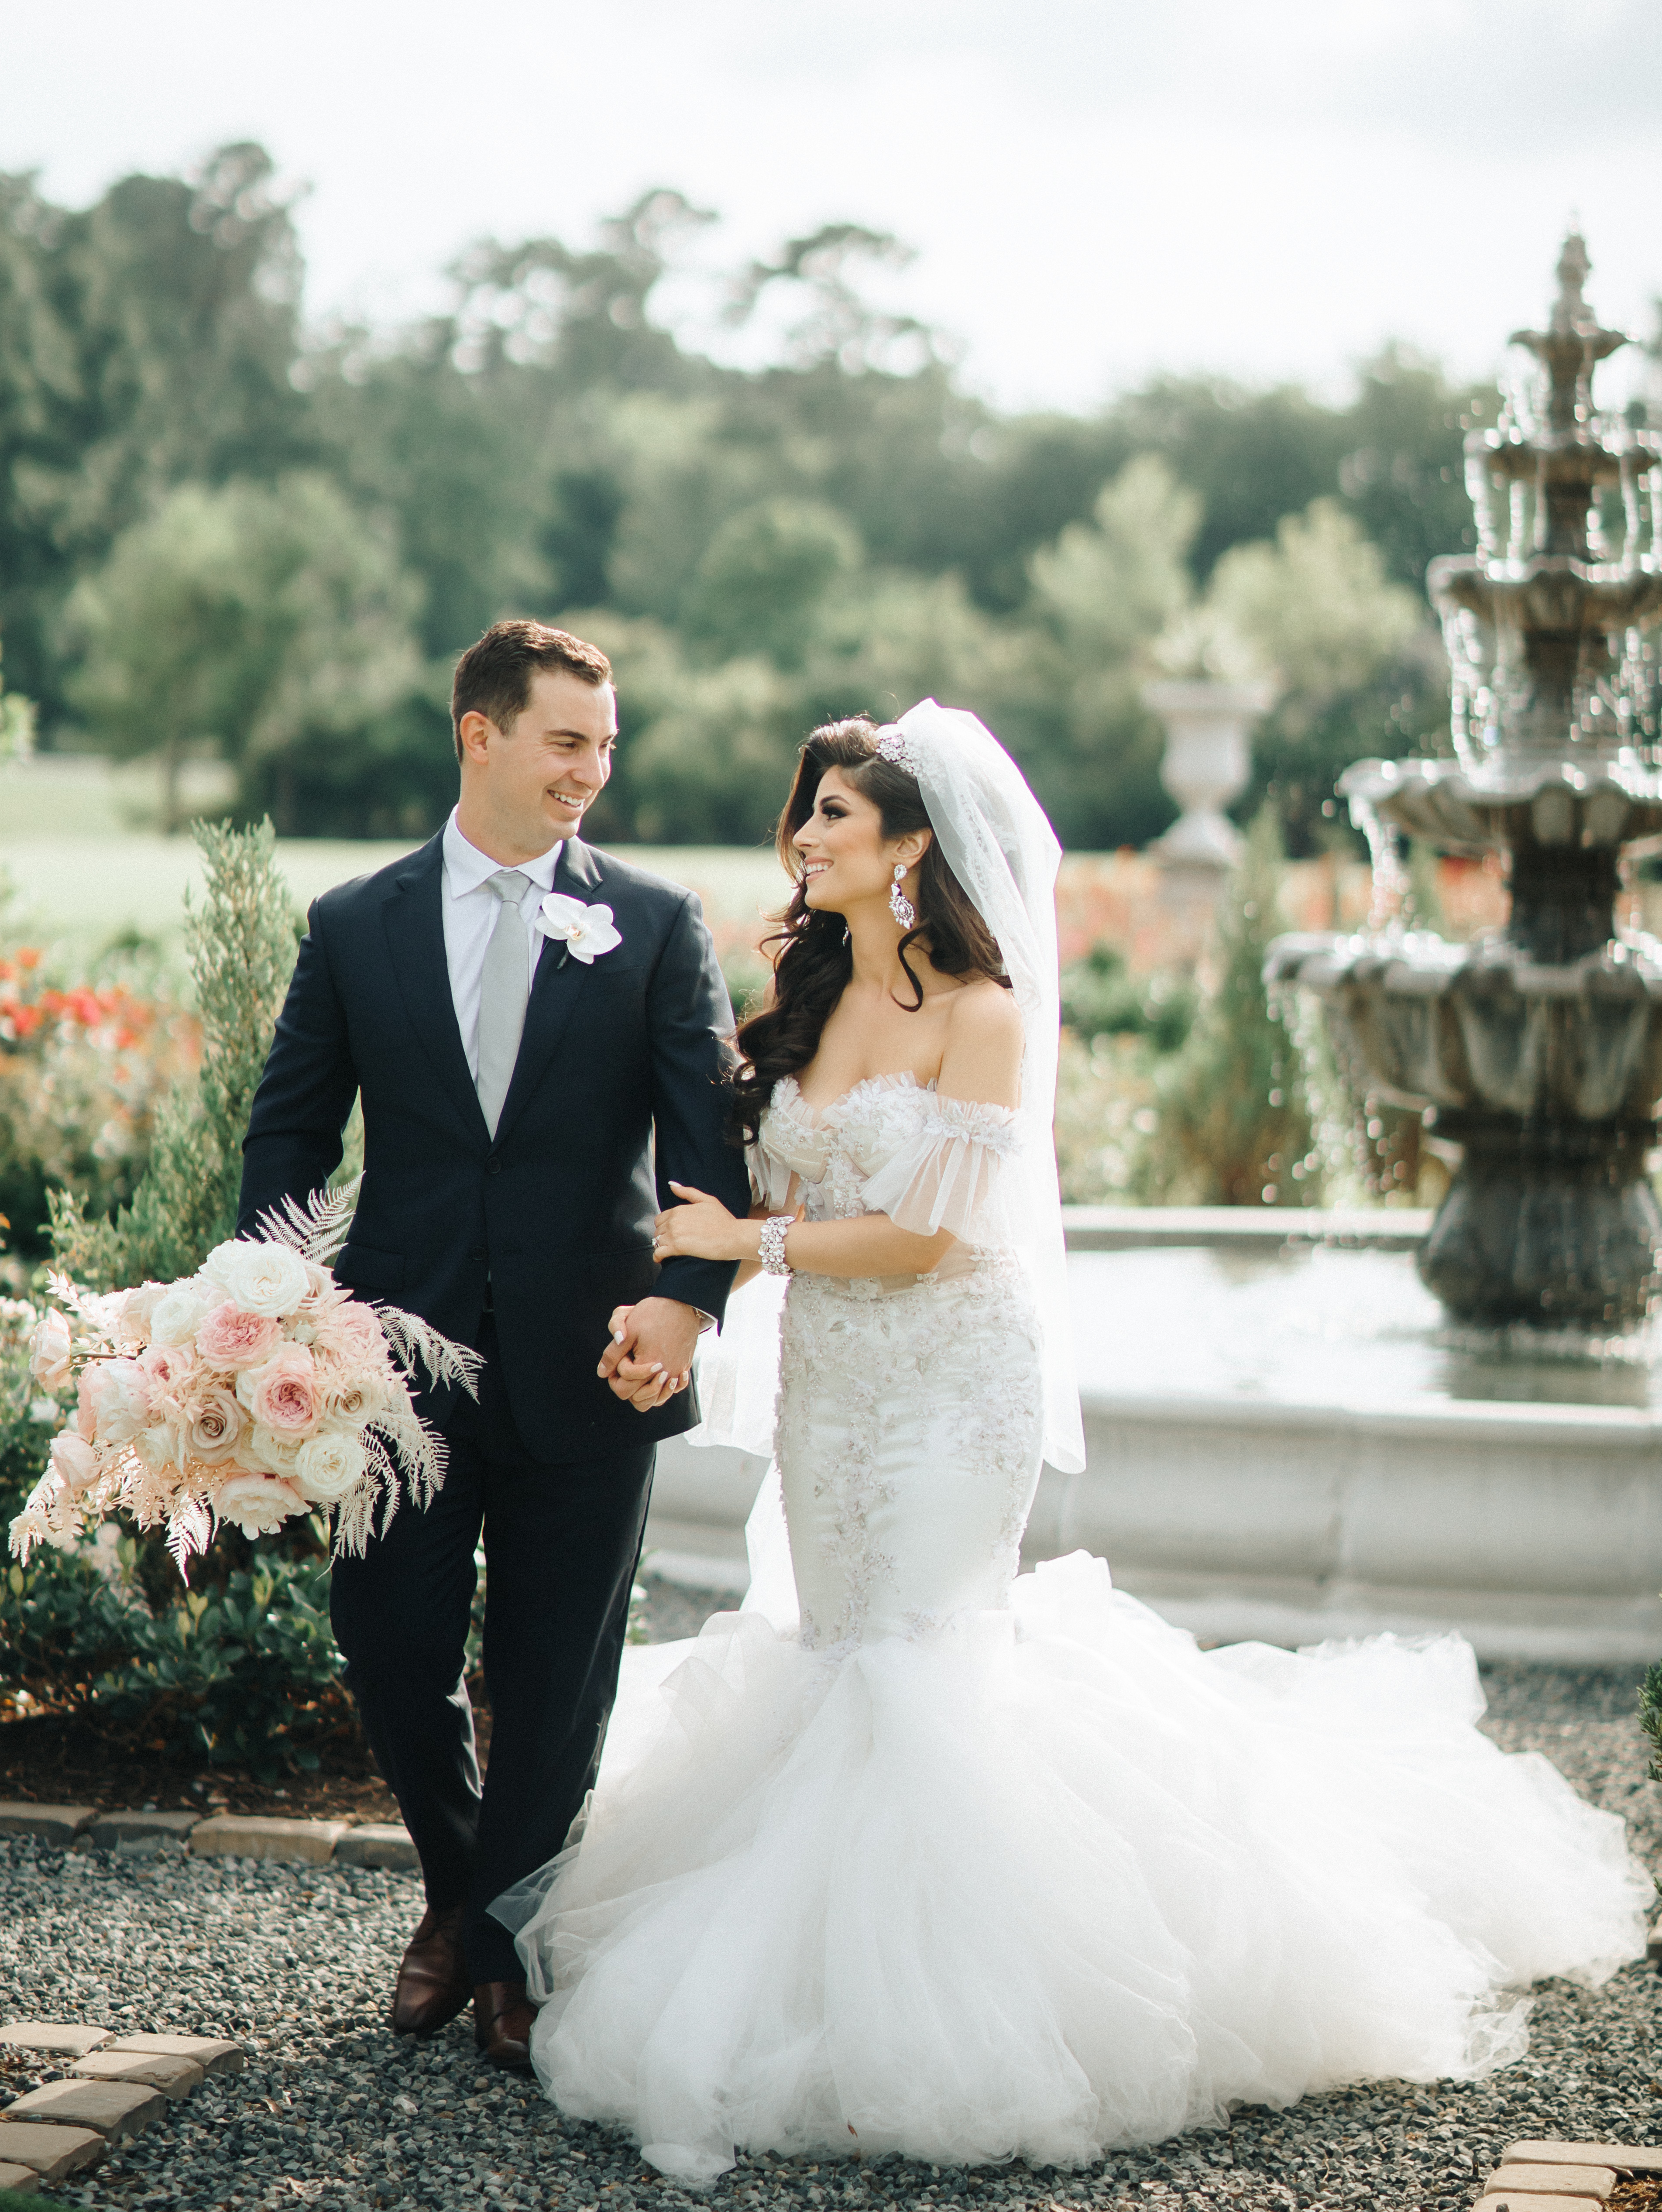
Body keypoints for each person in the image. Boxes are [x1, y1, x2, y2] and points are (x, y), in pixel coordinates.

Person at [494, 699, 1648, 2181]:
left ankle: (946, 2009)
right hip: (833, 1388)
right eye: (810, 811)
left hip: (956, 1384)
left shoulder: (983, 1010)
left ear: (914, 843)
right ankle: (823, 1978)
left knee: (916, 1657)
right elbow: (715, 1161)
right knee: (834, 1643)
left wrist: (753, 1240)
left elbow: (927, 1235)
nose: (809, 834)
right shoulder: (802, 991)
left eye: (838, 813)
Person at [236, 619, 750, 2070]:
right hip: (387, 1375)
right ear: (481, 734)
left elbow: (707, 1148)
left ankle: (512, 1947)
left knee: (553, 1678)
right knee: (389, 1649)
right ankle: (467, 1887)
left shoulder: (652, 924)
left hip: (595, 1366)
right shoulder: (354, 925)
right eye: (566, 740)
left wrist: (689, 1304)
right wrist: (268, 1310)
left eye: (605, 742)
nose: (594, 768)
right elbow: (290, 1128)